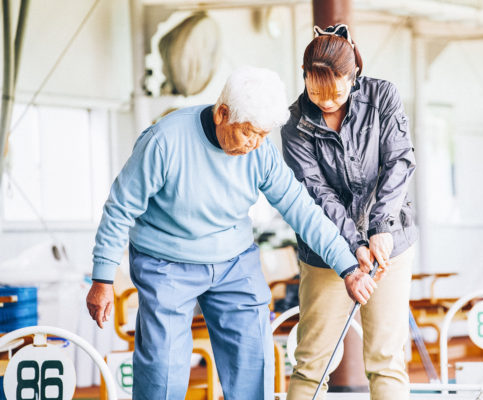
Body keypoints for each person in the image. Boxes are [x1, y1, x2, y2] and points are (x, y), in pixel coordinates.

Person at [85, 66, 377, 400]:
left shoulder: (260, 151)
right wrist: (103, 278)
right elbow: (121, 206)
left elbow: (301, 208)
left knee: (253, 364)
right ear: (222, 113)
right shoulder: (164, 141)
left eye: (264, 135)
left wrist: (348, 267)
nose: (256, 144)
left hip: (234, 262)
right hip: (165, 261)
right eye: (249, 133)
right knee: (163, 374)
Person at [280, 25, 417, 400]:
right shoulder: (294, 124)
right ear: (305, 76)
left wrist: (382, 225)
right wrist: (353, 246)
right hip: (326, 250)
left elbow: (399, 162)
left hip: (390, 243)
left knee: (387, 359)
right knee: (312, 363)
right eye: (315, 91)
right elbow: (317, 194)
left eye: (336, 93)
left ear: (353, 76)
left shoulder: (383, 96)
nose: (326, 102)